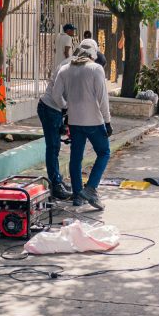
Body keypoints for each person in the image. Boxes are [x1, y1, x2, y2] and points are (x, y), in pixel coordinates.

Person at [51, 38, 111, 210]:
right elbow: (102, 99)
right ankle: (91, 188)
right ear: (94, 53)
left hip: (74, 122)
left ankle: (78, 195)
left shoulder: (65, 69)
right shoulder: (96, 69)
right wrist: (107, 121)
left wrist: (67, 107)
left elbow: (56, 95)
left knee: (76, 158)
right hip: (94, 122)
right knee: (104, 152)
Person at [37, 52, 74, 201]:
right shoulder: (69, 67)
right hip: (50, 108)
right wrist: (66, 108)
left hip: (54, 109)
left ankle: (57, 180)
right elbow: (57, 95)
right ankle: (55, 185)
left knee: (55, 147)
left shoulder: (74, 65)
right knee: (53, 147)